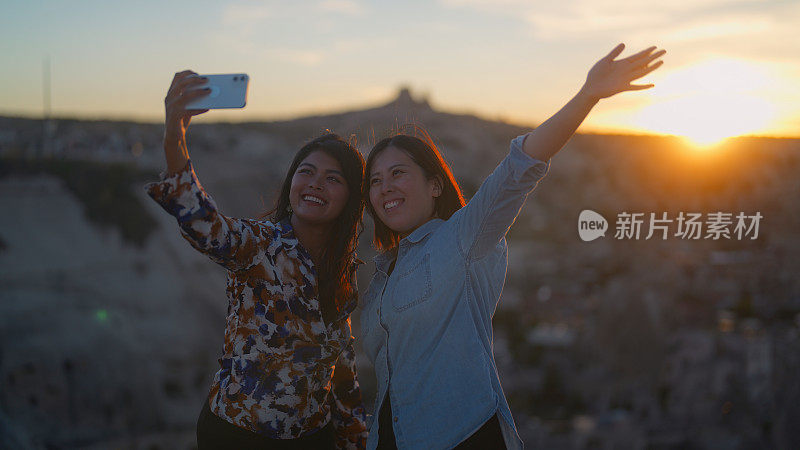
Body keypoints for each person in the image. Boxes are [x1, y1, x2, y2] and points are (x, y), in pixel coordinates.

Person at [358, 43, 666, 449]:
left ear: (435, 185)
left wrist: (587, 95)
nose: (386, 188)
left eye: (398, 173)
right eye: (376, 181)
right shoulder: (382, 273)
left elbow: (519, 168)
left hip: (461, 438)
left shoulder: (463, 238)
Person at [145, 70, 369, 449]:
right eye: (306, 171)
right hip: (237, 435)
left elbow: (342, 368)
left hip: (311, 439)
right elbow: (203, 223)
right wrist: (174, 135)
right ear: (291, 183)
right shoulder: (258, 244)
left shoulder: (342, 268)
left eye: (333, 178)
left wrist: (354, 438)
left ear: (350, 198)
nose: (315, 183)